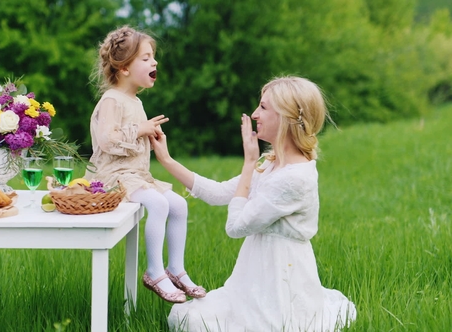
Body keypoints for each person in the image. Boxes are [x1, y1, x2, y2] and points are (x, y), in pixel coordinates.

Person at [149, 76, 357, 331]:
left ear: (287, 117)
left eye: (264, 107)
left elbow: (236, 227)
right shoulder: (271, 164)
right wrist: (167, 160)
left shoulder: (294, 178)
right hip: (253, 277)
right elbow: (217, 193)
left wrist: (249, 164)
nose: (255, 114)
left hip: (281, 283)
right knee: (190, 318)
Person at [84, 26, 206, 303]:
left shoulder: (135, 101)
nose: (155, 62)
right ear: (125, 68)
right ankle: (153, 271)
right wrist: (140, 130)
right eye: (146, 58)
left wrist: (150, 137)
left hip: (137, 175)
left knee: (180, 205)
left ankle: (175, 268)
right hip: (113, 177)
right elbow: (107, 141)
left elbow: (133, 138)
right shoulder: (112, 99)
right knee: (159, 204)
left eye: (153, 57)